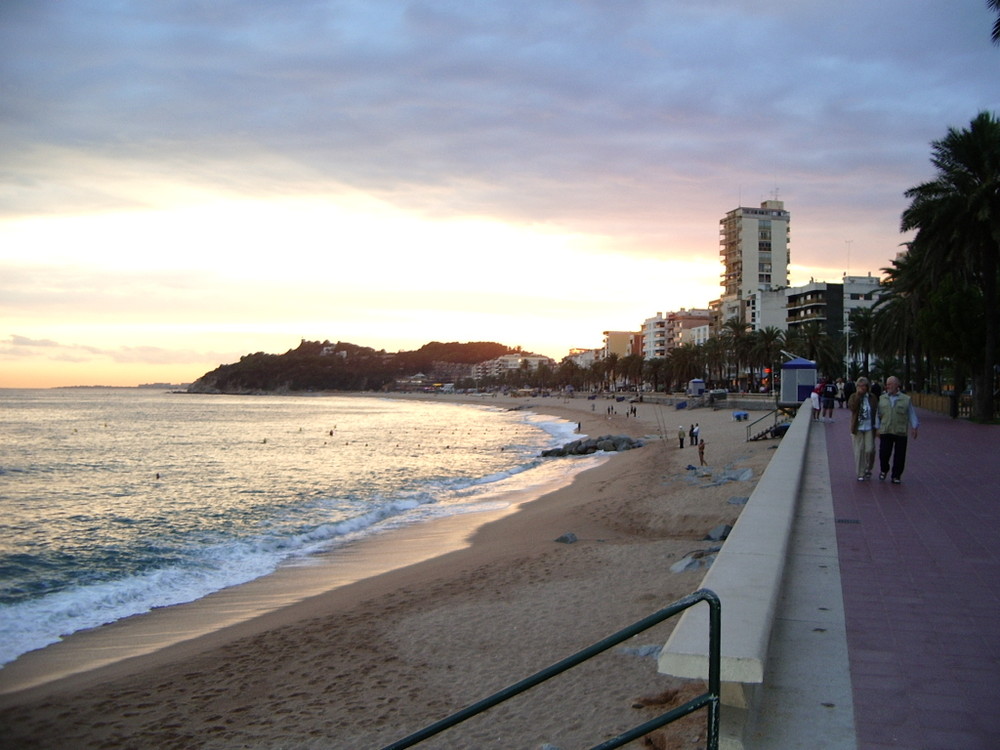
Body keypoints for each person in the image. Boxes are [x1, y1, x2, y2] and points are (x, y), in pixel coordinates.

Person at [876, 375, 919, 484]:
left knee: (900, 455)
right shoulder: (882, 398)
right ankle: (884, 469)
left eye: (890, 384)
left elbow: (911, 414)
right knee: (883, 453)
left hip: (900, 431)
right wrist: (877, 428)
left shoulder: (905, 399)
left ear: (897, 385)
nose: (888, 386)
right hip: (886, 429)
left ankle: (896, 475)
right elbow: (877, 414)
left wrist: (914, 427)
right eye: (887, 384)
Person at [847, 377, 878, 481]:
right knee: (859, 450)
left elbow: (876, 411)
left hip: (869, 426)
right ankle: (860, 472)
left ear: (867, 387)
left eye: (863, 386)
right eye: (859, 386)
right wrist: (858, 396)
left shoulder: (872, 397)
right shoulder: (853, 396)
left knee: (870, 449)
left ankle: (868, 468)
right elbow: (852, 407)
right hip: (858, 427)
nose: (861, 388)